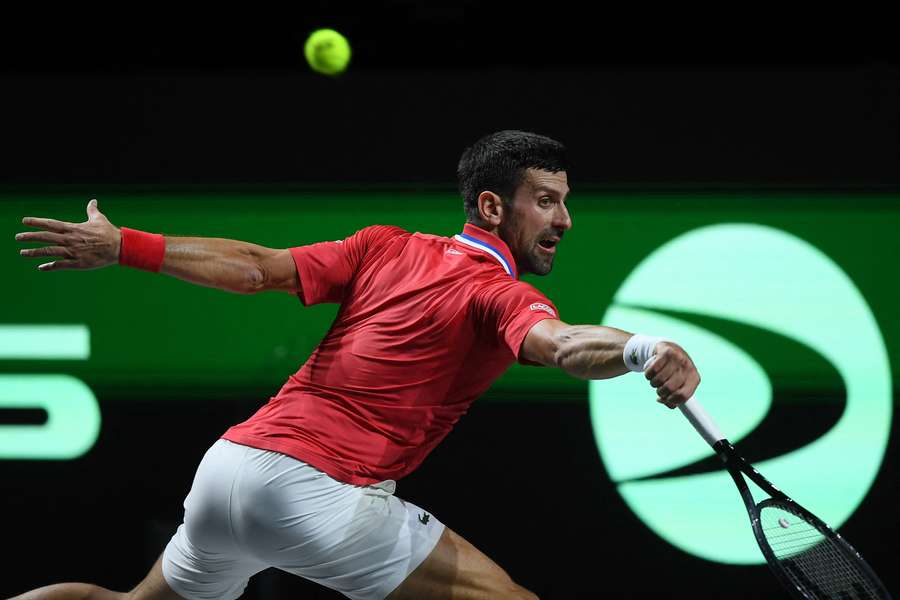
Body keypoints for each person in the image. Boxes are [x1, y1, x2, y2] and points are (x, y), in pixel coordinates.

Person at [12, 130, 700, 600]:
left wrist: (123, 244)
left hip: (228, 468)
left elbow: (258, 271)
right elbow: (560, 344)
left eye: (566, 201)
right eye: (546, 200)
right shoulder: (502, 293)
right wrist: (642, 348)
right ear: (492, 206)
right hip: (314, 490)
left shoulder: (384, 246)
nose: (565, 219)